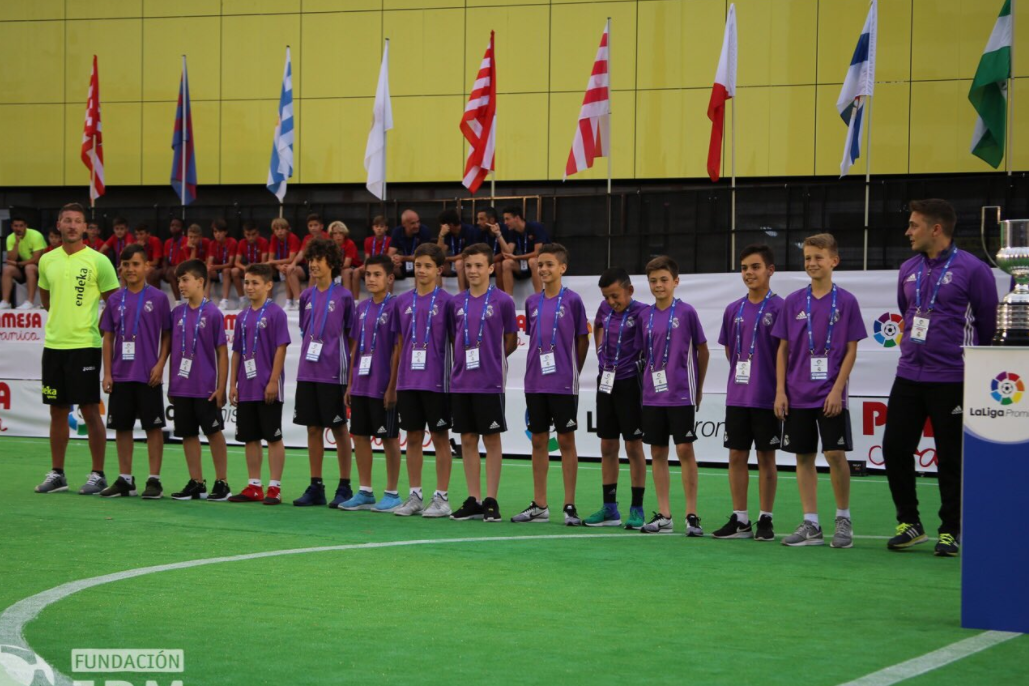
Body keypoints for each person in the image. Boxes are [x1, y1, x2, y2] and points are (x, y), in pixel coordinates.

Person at [883, 199, 998, 557]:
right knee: (894, 448)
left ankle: (951, 530)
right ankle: (909, 523)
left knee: (951, 458)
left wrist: (973, 372)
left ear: (936, 229)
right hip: (909, 375)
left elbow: (987, 324)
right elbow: (908, 313)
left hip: (953, 377)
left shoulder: (974, 269)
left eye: (914, 225)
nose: (908, 231)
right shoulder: (908, 269)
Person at [773, 233, 867, 549]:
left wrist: (837, 390)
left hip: (830, 393)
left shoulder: (848, 301)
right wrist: (780, 391)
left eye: (819, 257)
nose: (812, 263)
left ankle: (843, 518)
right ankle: (811, 522)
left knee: (835, 454)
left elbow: (852, 349)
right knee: (803, 456)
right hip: (796, 394)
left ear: (834, 261)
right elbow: (783, 350)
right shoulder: (793, 302)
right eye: (808, 258)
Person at [34, 203, 120, 495]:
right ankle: (58, 473)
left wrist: (95, 327)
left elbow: (115, 304)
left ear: (86, 228)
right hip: (54, 345)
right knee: (57, 410)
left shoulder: (99, 261)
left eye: (78, 221)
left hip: (85, 345)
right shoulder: (47, 260)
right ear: (58, 225)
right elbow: (47, 301)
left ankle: (98, 474)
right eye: (67, 220)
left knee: (89, 409)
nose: (72, 226)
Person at [512, 243, 590, 525]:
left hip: (563, 384)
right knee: (539, 441)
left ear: (562, 268)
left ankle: (569, 505)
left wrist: (573, 371)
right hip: (535, 382)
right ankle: (540, 504)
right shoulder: (532, 302)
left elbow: (583, 340)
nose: (543, 269)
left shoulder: (573, 301)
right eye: (540, 264)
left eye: (549, 265)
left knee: (566, 441)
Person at [713, 245, 784, 541]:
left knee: (767, 458)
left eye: (755, 267)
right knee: (736, 456)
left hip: (767, 396)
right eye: (744, 268)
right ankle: (740, 519)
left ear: (770, 269)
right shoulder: (733, 309)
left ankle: (765, 518)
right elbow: (731, 351)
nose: (749, 273)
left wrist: (778, 389)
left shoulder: (781, 307)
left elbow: (785, 352)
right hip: (738, 397)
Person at [636, 256, 709, 535]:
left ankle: (692, 514)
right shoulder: (645, 315)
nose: (658, 285)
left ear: (675, 281)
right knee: (657, 451)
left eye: (664, 279)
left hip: (681, 394)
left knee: (684, 449)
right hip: (652, 396)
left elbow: (703, 350)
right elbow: (645, 354)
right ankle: (665, 514)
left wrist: (698, 389)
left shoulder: (687, 312)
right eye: (653, 281)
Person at [447, 243, 519, 522]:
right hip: (462, 381)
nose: (473, 270)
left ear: (491, 268)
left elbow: (511, 338)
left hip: (490, 382)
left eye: (479, 265)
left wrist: (493, 359)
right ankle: (474, 498)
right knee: (467, 438)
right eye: (469, 266)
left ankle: (491, 499)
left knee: (491, 438)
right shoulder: (456, 302)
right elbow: (455, 339)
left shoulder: (503, 301)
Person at [97, 244, 172, 499]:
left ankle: (154, 479)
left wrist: (161, 364)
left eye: (136, 264)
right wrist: (108, 373)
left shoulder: (159, 298)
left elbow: (168, 334)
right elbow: (108, 337)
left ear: (147, 266)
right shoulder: (115, 299)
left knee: (153, 427)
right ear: (121, 268)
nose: (130, 269)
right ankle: (125, 479)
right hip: (121, 374)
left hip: (148, 375)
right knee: (122, 427)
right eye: (126, 265)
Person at [291, 238, 357, 509]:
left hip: (334, 373)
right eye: (311, 259)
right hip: (308, 371)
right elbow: (306, 332)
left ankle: (345, 485)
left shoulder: (344, 296)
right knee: (313, 427)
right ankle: (316, 485)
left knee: (339, 428)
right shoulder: (306, 296)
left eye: (318, 259)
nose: (313, 264)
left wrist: (349, 375)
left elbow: (352, 337)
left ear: (332, 263)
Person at [391, 243, 454, 517]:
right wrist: (394, 382)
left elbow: (455, 342)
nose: (422, 270)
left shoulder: (448, 302)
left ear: (439, 270)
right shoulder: (402, 301)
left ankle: (441, 497)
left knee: (440, 437)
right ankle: (415, 495)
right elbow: (399, 344)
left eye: (428, 266)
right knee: (412, 437)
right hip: (408, 381)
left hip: (437, 381)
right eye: (418, 265)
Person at [583, 268, 649, 530]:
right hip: (605, 381)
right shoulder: (603, 309)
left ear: (630, 290)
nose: (611, 302)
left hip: (631, 384)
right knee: (607, 446)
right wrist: (599, 350)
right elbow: (597, 326)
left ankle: (637, 508)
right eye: (607, 297)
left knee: (633, 446)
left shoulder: (642, 312)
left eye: (615, 296)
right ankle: (610, 508)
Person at [340, 254, 402, 512]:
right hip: (361, 385)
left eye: (377, 275)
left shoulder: (396, 306)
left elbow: (398, 348)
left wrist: (392, 386)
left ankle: (392, 492)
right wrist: (350, 383)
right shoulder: (361, 308)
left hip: (383, 385)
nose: (371, 279)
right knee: (361, 436)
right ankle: (365, 491)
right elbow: (355, 349)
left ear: (389, 278)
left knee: (389, 438)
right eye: (368, 275)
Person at [167, 259, 233, 501]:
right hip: (181, 387)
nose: (180, 285)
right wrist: (171, 382)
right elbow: (172, 350)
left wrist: (221, 387)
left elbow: (222, 353)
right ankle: (196, 482)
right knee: (187, 434)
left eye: (185, 280)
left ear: (200, 282)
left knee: (214, 433)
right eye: (178, 280)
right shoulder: (176, 313)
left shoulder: (213, 314)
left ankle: (222, 482)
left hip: (206, 388)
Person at [227, 263, 291, 504]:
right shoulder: (242, 316)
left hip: (268, 387)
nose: (249, 287)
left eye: (255, 282)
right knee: (250, 437)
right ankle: (254, 485)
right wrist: (233, 384)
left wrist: (274, 381)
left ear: (268, 285)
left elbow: (280, 348)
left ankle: (274, 487)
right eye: (246, 282)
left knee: (273, 437)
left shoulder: (276, 313)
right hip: (247, 387)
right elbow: (236, 353)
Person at [500, 206, 548, 295]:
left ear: (517, 218)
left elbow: (538, 253)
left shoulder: (535, 227)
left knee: (533, 261)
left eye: (507, 219)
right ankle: (509, 300)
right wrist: (498, 235)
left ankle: (539, 297)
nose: (505, 223)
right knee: (506, 263)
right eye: (504, 219)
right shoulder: (512, 231)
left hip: (538, 265)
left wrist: (517, 257)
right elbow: (508, 252)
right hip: (522, 267)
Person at [2, 216, 46, 310]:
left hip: (40, 269)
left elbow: (36, 259)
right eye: (16, 226)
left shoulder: (35, 235)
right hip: (23, 267)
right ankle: (6, 302)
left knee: (29, 267)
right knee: (7, 269)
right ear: (12, 226)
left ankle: (30, 302)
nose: (18, 229)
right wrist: (16, 244)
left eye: (21, 226)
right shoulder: (10, 238)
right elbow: (11, 258)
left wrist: (18, 264)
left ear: (26, 226)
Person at [286, 213, 326, 302]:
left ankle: (309, 300)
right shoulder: (307, 238)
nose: (313, 228)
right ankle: (299, 301)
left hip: (322, 267)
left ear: (321, 226)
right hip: (308, 266)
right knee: (291, 270)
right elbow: (301, 254)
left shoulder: (327, 237)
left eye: (316, 225)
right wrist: (293, 264)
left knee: (314, 271)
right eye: (310, 226)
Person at [437, 209, 476, 292]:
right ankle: (436, 294)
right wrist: (441, 236)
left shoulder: (469, 230)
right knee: (436, 263)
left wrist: (448, 259)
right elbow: (439, 253)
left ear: (450, 225)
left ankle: (462, 293)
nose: (441, 228)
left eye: (442, 226)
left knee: (459, 263)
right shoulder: (447, 233)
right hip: (451, 265)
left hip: (465, 263)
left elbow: (466, 254)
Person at [233, 220, 268, 311]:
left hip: (259, 268)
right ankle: (242, 299)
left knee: (267, 270)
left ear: (258, 233)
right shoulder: (241, 243)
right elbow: (236, 262)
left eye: (253, 234)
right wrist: (245, 268)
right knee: (234, 271)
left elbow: (264, 262)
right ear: (244, 234)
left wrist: (253, 269)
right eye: (248, 235)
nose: (251, 237)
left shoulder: (263, 242)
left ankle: (265, 299)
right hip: (248, 268)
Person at [475, 206, 511, 294]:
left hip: (498, 262)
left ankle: (501, 295)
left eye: (481, 219)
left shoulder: (504, 229)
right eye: (478, 219)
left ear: (491, 220)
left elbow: (506, 253)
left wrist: (498, 234)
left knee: (498, 265)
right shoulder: (479, 231)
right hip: (486, 261)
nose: (478, 222)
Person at [389, 209, 432, 281]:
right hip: (402, 265)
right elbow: (390, 253)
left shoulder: (424, 231)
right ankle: (388, 292)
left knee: (421, 263)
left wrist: (403, 258)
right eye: (413, 223)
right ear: (403, 224)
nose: (417, 225)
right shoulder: (397, 232)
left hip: (418, 264)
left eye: (418, 222)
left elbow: (423, 256)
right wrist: (394, 260)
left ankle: (418, 292)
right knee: (389, 266)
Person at [268, 218, 301, 310]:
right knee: (267, 269)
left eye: (282, 228)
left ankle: (290, 301)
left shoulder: (292, 237)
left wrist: (274, 263)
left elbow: (291, 259)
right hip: (280, 265)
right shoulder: (273, 238)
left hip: (296, 265)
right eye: (277, 229)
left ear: (287, 229)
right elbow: (270, 258)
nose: (280, 231)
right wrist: (279, 267)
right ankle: (268, 301)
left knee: (288, 269)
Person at [356, 215, 392, 298]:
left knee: (390, 272)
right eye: (376, 226)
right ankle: (356, 300)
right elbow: (367, 257)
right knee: (355, 272)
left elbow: (388, 258)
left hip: (384, 265)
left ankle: (388, 298)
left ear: (386, 228)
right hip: (371, 265)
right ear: (373, 228)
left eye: (381, 226)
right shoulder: (368, 240)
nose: (379, 228)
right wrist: (365, 266)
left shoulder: (390, 240)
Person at [206, 219, 238, 308]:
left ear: (226, 232)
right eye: (215, 232)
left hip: (228, 270)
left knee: (226, 270)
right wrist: (209, 267)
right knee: (206, 271)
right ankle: (206, 300)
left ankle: (225, 300)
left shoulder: (232, 242)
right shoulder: (212, 244)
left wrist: (216, 267)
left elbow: (230, 263)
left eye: (220, 231)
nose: (217, 234)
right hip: (217, 271)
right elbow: (210, 262)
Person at [329, 221, 361, 298]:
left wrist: (333, 268)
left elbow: (347, 264)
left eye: (340, 233)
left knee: (345, 272)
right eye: (335, 233)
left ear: (345, 234)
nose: (338, 236)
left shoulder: (349, 243)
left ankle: (347, 299)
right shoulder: (329, 244)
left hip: (353, 266)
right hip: (336, 267)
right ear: (331, 235)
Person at [161, 218, 187, 300]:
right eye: (172, 225)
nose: (174, 227)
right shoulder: (168, 242)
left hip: (183, 267)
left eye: (177, 226)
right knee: (152, 274)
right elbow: (165, 259)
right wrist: (165, 268)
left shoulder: (186, 240)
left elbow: (187, 260)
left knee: (170, 272)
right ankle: (157, 299)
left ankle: (178, 301)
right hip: (170, 268)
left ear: (182, 228)